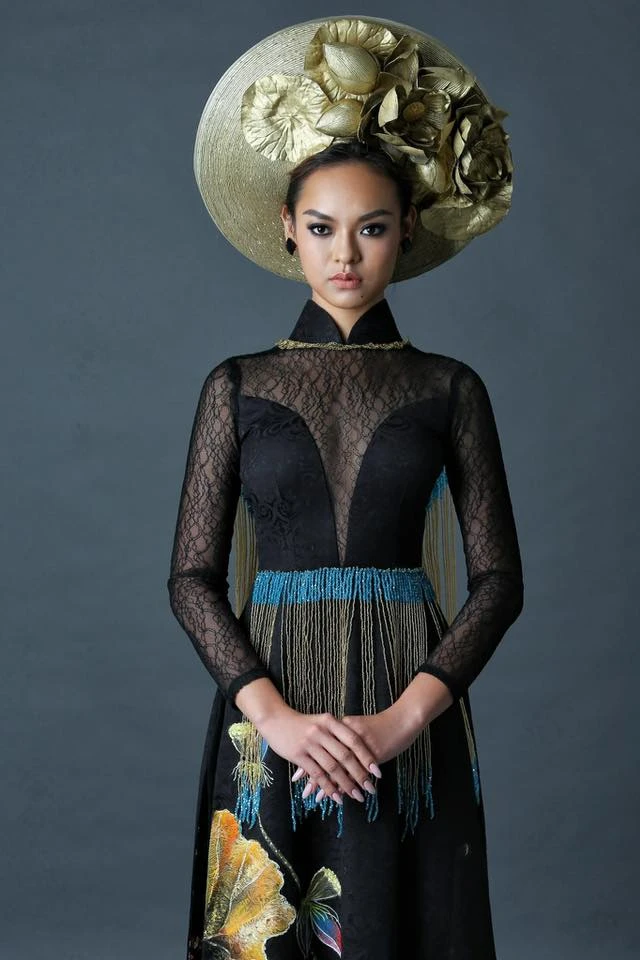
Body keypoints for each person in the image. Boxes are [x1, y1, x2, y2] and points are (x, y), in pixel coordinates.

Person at [167, 15, 524, 960]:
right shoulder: (236, 386)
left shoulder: (449, 387)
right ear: (287, 228)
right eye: (323, 228)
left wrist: (405, 719)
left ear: (406, 232)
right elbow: (190, 579)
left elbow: (499, 584)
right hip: (271, 712)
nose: (346, 255)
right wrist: (274, 718)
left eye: (371, 229)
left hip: (409, 711)